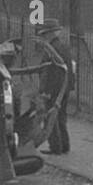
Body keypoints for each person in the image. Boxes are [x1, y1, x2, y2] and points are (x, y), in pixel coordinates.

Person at [38, 19, 73, 155]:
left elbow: (50, 72)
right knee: (61, 116)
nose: (44, 37)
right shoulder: (64, 46)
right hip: (65, 87)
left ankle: (55, 147)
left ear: (51, 34)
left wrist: (46, 91)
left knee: (50, 117)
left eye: (45, 34)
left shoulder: (51, 49)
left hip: (54, 89)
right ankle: (65, 145)